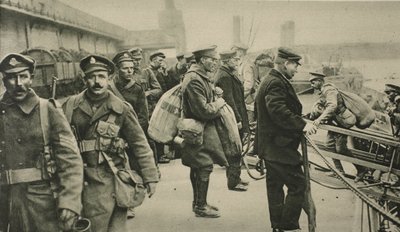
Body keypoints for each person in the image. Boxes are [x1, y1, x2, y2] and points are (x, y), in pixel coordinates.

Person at [63, 55, 159, 232]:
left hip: (111, 176)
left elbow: (139, 144)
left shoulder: (120, 108)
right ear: (84, 79)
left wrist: (150, 177)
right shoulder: (71, 106)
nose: (97, 82)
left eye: (101, 76)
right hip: (79, 178)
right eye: (92, 77)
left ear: (109, 78)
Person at [0, 53, 84, 232]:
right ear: (3, 81)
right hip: (7, 202)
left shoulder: (48, 109)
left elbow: (70, 160)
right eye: (12, 78)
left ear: (31, 78)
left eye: (23, 76)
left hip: (43, 201)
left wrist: (69, 201)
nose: (18, 83)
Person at [255, 47, 317, 232]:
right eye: (295, 65)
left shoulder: (271, 79)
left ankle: (277, 227)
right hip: (279, 148)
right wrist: (302, 124)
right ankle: (289, 227)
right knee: (298, 185)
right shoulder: (276, 82)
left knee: (274, 188)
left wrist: (300, 119)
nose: (297, 69)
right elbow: (277, 110)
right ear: (285, 63)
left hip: (270, 146)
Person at [181, 45, 228, 218]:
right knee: (204, 166)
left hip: (197, 131)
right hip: (196, 130)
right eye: (212, 60)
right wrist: (220, 102)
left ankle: (199, 203)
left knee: (198, 166)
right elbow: (204, 111)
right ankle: (200, 206)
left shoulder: (200, 77)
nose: (216, 63)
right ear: (202, 60)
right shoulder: (195, 79)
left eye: (217, 60)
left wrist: (214, 93)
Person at [110, 51, 151, 219]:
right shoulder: (109, 88)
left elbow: (143, 116)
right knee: (116, 170)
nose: (129, 71)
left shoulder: (137, 89)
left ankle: (130, 201)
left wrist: (129, 139)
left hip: (131, 134)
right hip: (112, 135)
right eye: (125, 68)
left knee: (133, 170)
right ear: (117, 69)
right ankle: (122, 204)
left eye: (131, 68)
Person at [309, 71, 368, 181]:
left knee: (341, 149)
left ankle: (362, 169)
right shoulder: (323, 91)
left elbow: (332, 106)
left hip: (343, 122)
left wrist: (319, 119)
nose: (311, 85)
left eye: (313, 82)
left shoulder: (329, 90)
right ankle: (339, 171)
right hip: (335, 122)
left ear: (319, 81)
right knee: (329, 145)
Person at [214, 50, 249, 192]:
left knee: (236, 148)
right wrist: (238, 119)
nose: (237, 62)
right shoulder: (224, 76)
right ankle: (233, 182)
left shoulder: (227, 74)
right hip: (233, 118)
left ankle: (236, 177)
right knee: (235, 148)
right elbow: (229, 100)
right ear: (226, 61)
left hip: (235, 116)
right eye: (234, 60)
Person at [243, 50, 275, 123]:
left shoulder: (253, 66)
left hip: (252, 102)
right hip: (254, 102)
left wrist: (241, 98)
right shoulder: (254, 66)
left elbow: (249, 85)